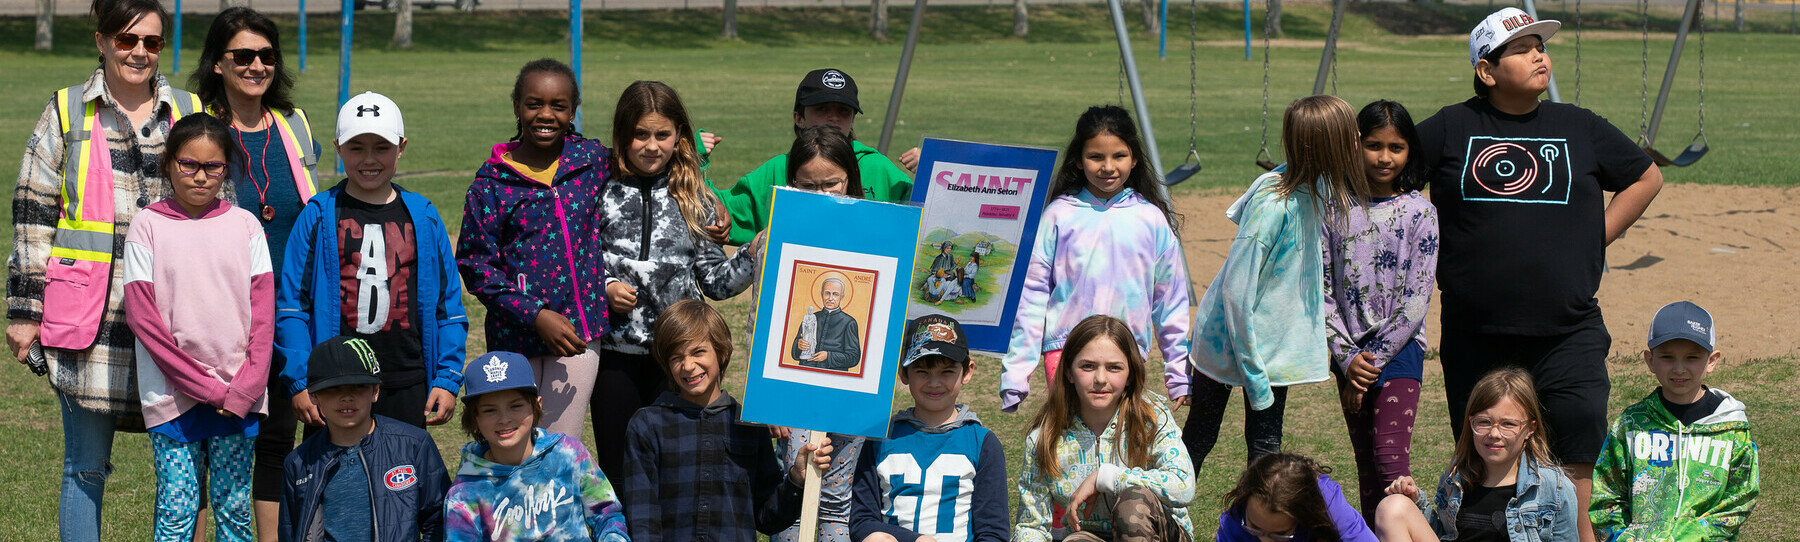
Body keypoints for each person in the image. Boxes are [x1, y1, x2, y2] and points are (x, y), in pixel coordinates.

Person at [1416, 10, 1663, 538]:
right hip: (1477, 335)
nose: (1538, 55)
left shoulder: (1579, 125)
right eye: (1522, 48)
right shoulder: (1450, 127)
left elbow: (1645, 176)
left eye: (1540, 46)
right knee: (1488, 461)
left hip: (1568, 332)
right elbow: (1386, 174)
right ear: (1486, 70)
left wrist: (1591, 238)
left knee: (1575, 460)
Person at [6, 0, 203, 537]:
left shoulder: (189, 109)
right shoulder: (68, 110)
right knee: (85, 467)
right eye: (126, 39)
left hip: (171, 318)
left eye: (152, 42)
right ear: (101, 41)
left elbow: (217, 206)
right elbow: (33, 212)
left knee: (182, 470)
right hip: (86, 321)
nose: (139, 52)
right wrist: (25, 311)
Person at [187, 8, 324, 537]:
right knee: (205, 451)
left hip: (285, 313)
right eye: (242, 56)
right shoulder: (197, 127)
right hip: (215, 315)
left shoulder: (294, 125)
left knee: (274, 445)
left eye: (266, 56)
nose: (256, 66)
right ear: (218, 64)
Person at [1187, 95, 1373, 470]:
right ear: (1328, 146)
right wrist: (1254, 377)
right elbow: (1237, 293)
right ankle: (1151, 518)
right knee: (1199, 439)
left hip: (1270, 346)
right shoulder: (1273, 205)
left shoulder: (1317, 186)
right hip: (1229, 341)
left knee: (1267, 447)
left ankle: (1258, 527)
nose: (1358, 137)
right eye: (1350, 133)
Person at [594, 80, 762, 480]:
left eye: (662, 135)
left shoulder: (695, 197)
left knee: (675, 471)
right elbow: (578, 262)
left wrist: (752, 254)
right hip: (613, 358)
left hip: (679, 359)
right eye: (640, 134)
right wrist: (604, 286)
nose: (652, 146)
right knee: (618, 469)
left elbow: (716, 282)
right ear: (622, 134)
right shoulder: (599, 190)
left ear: (679, 136)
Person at [275, 91, 467, 432]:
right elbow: (293, 307)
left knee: (402, 481)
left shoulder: (423, 216)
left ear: (401, 147)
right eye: (356, 147)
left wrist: (447, 377)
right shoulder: (318, 215)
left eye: (381, 148)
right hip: (334, 385)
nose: (369, 159)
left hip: (407, 381)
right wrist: (301, 380)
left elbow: (447, 307)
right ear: (337, 148)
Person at [122, 114, 271, 542]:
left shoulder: (245, 225)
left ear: (228, 168)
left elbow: (263, 318)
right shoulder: (147, 226)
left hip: (240, 397)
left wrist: (245, 388)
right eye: (189, 165)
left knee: (234, 510)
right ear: (169, 164)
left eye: (214, 167)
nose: (201, 177)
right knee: (176, 510)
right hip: (173, 398)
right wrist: (207, 389)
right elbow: (143, 321)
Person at [457, 58, 613, 448]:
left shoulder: (592, 161)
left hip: (578, 337)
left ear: (574, 110)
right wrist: (535, 315)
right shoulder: (491, 183)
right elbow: (476, 266)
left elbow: (645, 160)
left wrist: (695, 150)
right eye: (533, 104)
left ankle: (555, 510)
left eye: (559, 105)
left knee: (560, 447)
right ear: (516, 107)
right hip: (514, 340)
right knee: (514, 446)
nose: (546, 115)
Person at [998, 105, 1191, 414]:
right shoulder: (1058, 215)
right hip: (1066, 353)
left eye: (1119, 156)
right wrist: (1017, 373)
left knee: (1119, 449)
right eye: (1096, 157)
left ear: (1135, 158)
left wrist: (1178, 373)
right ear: (1078, 160)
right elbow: (1031, 297)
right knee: (1070, 445)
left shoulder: (1151, 219)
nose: (1108, 166)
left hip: (1126, 355)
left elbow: (1170, 301)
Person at [621, 299, 832, 541]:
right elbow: (641, 519)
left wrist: (796, 478)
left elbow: (767, 517)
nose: (688, 366)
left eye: (698, 352)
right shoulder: (647, 426)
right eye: (676, 357)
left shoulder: (749, 426)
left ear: (721, 353)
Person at [1325, 99, 1438, 519]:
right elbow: (1320, 291)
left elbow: (1416, 300)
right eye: (1374, 145)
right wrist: (1347, 358)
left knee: (1392, 467)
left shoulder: (1420, 213)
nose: (1385, 157)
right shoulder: (1331, 209)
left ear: (1410, 151)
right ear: (1355, 146)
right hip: (1346, 354)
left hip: (1400, 350)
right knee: (1368, 472)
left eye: (1397, 147)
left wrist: (1368, 364)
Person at [1014, 314, 1195, 542]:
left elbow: (1184, 485)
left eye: (1114, 368)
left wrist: (1106, 478)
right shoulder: (1044, 438)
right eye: (1088, 366)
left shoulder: (1152, 418)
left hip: (1158, 533)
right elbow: (1031, 525)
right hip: (1089, 535)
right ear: (1069, 372)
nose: (1100, 378)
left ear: (1130, 374)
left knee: (1133, 506)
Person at [1589, 302, 1759, 540]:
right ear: (1650, 360)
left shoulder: (1732, 430)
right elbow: (1606, 494)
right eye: (1668, 357)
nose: (1679, 368)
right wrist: (1621, 536)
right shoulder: (1630, 426)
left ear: (1711, 360)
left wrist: (1700, 534)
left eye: (1692, 357)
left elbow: (1740, 498)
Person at [708, 68, 916, 245]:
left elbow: (924, 220)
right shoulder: (778, 169)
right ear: (798, 117)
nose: (833, 117)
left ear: (852, 119)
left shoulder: (877, 167)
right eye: (821, 108)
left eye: (843, 111)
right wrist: (692, 160)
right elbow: (714, 211)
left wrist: (931, 174)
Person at [848, 314, 1009, 542]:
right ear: (904, 373)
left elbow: (993, 532)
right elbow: (862, 521)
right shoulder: (880, 439)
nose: (934, 382)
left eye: (947, 371)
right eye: (922, 371)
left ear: (968, 371)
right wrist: (916, 540)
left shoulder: (982, 443)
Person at [1372, 367, 1579, 542]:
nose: (1494, 434)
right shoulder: (1456, 479)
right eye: (1484, 422)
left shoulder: (1555, 487)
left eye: (1508, 424)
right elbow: (1442, 534)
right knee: (1393, 506)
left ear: (1530, 428)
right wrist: (1416, 502)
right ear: (1470, 424)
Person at [444, 352, 631, 541]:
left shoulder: (569, 454)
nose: (504, 419)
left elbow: (607, 514)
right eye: (490, 410)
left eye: (515, 406)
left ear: (536, 406)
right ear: (474, 417)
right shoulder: (463, 493)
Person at [279, 336, 450, 541]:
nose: (346, 397)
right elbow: (290, 532)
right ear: (313, 395)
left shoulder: (414, 445)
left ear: (375, 391)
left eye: (358, 386)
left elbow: (440, 522)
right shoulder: (298, 463)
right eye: (333, 388)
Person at [1215, 454, 1375, 542]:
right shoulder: (1234, 522)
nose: (1265, 541)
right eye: (1254, 528)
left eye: (1280, 534)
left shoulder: (1329, 506)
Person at [792, 277, 864, 371]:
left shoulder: (849, 322)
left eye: (835, 294)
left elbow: (854, 358)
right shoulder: (810, 318)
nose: (830, 298)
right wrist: (798, 345)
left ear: (841, 296)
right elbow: (795, 353)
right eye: (827, 293)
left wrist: (828, 356)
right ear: (822, 295)